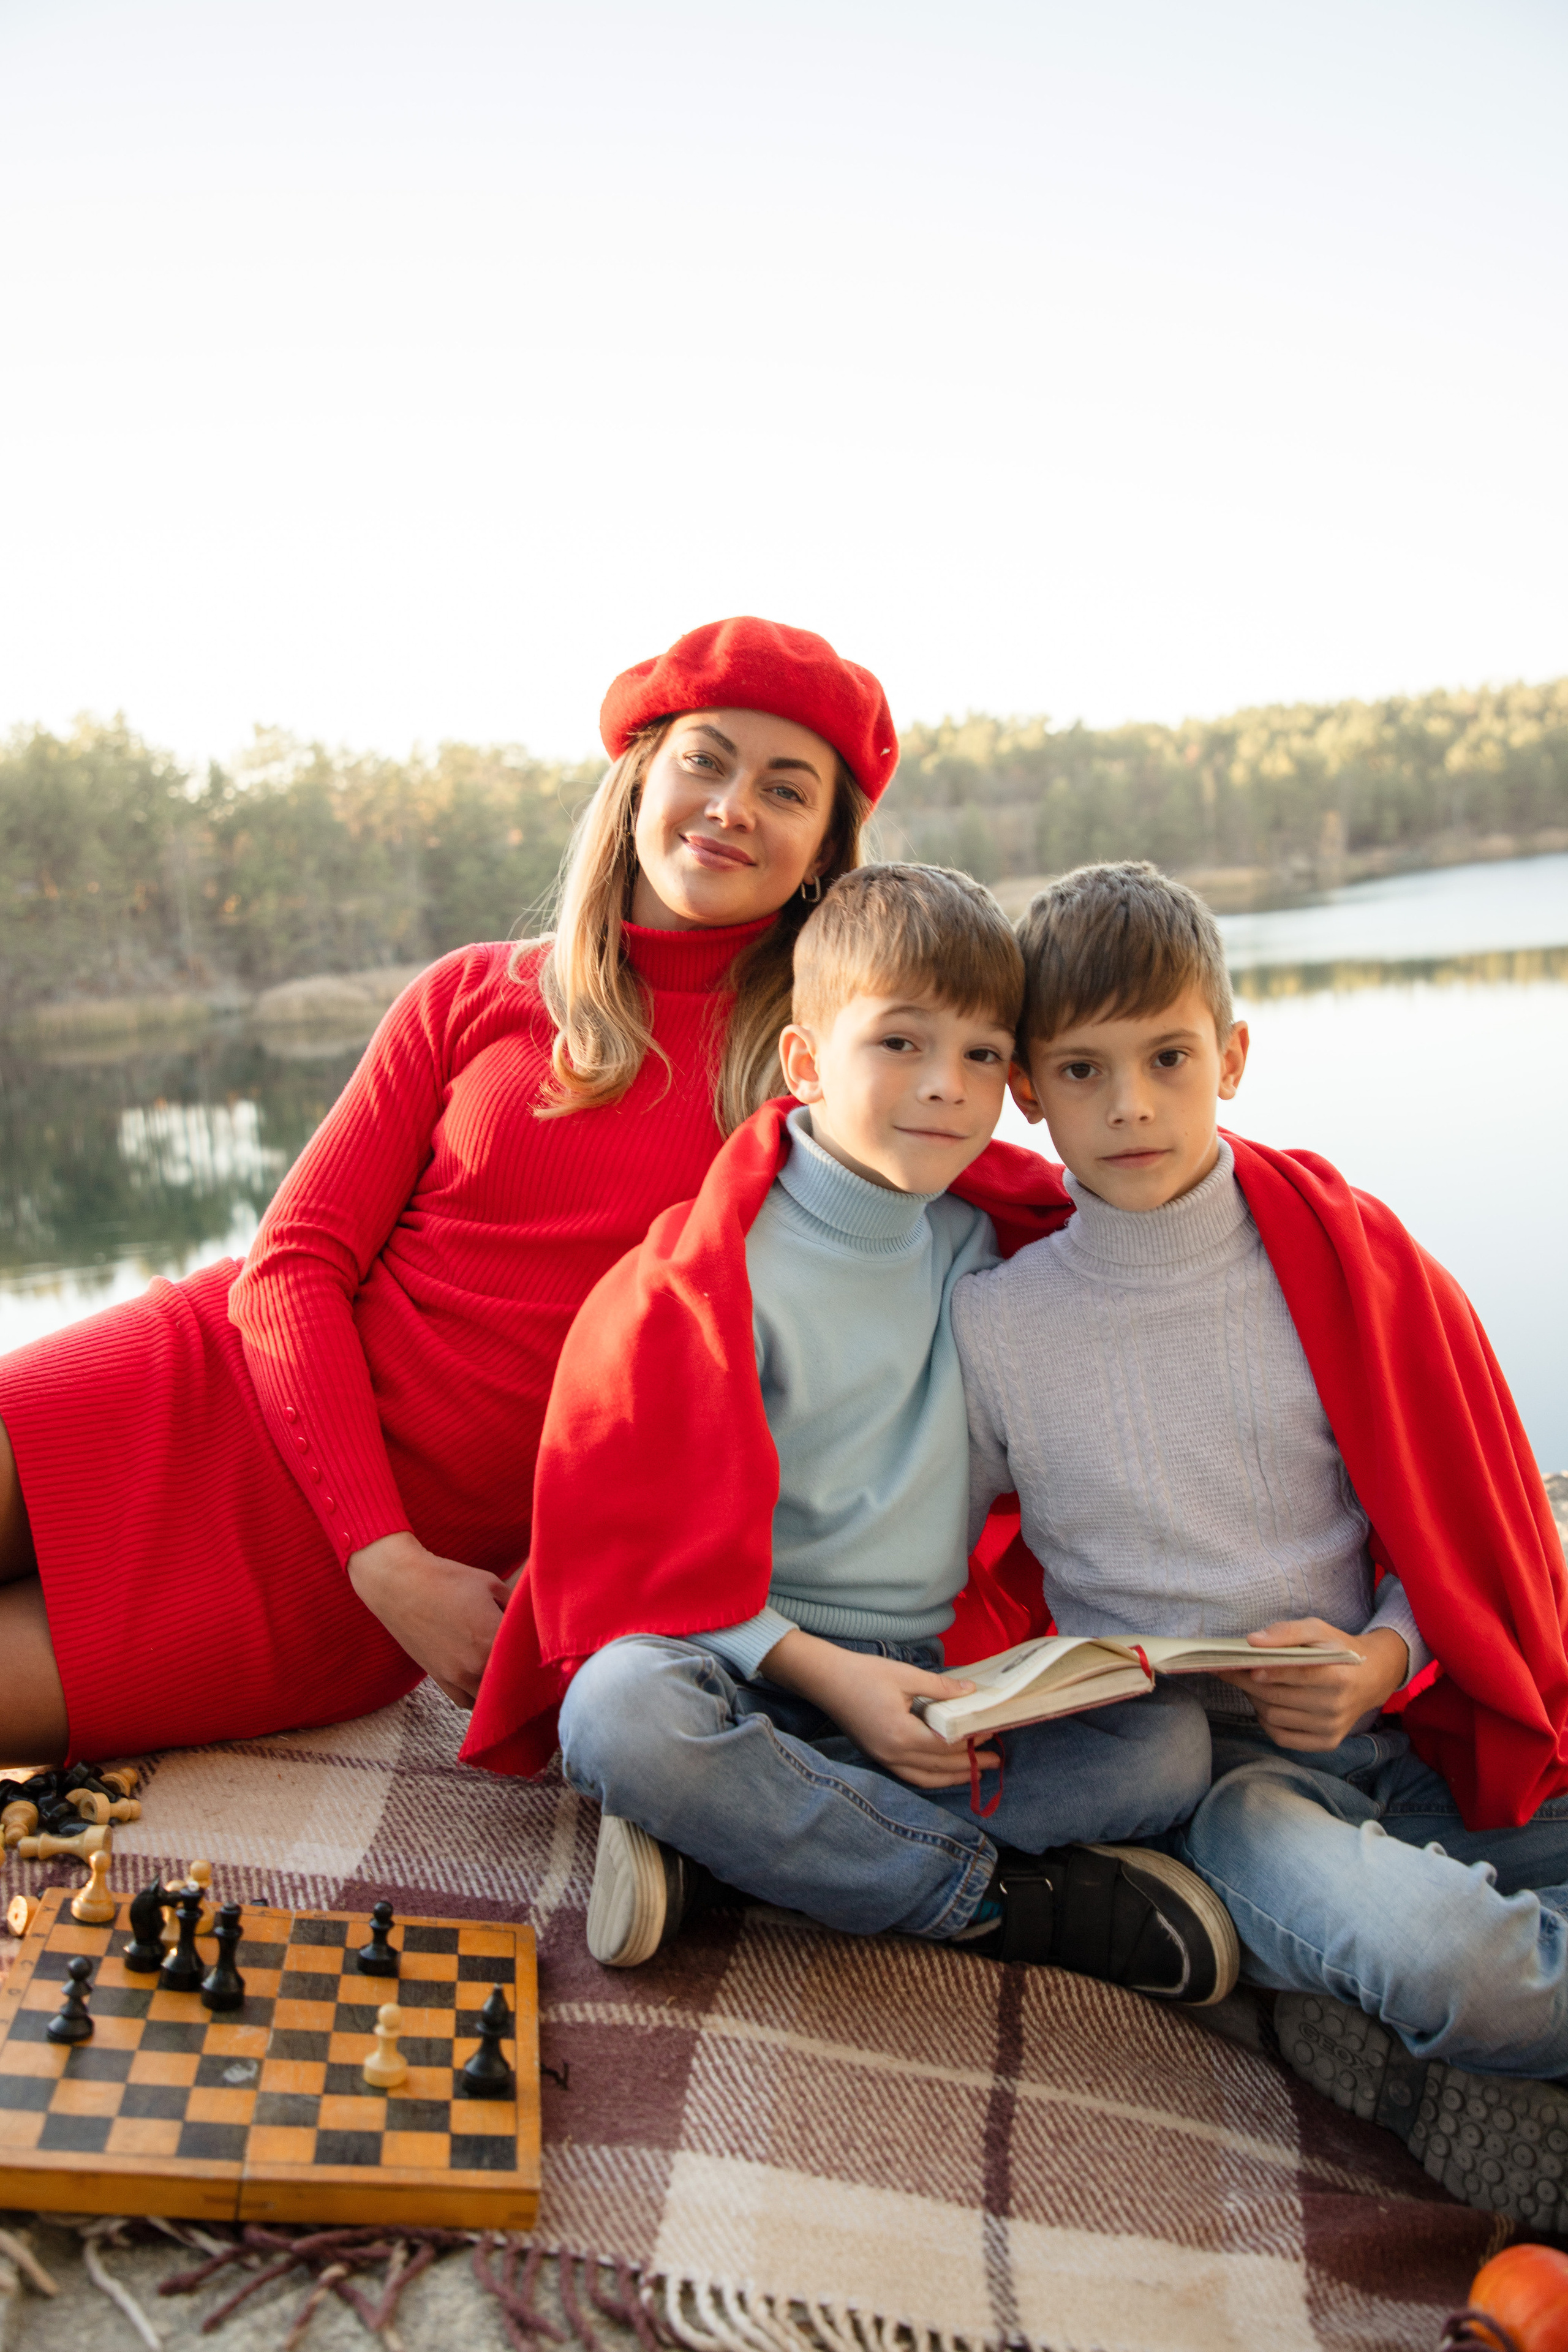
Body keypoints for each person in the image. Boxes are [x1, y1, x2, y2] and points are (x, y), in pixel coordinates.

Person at [0, 616, 902, 1765]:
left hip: (336, 1601)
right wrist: (379, 1548)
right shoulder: (476, 994)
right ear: (638, 784)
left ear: (825, 849)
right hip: (202, 1392)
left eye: (787, 789)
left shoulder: (814, 1080)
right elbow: (293, 1266)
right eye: (706, 760)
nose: (732, 805)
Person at [462, 864, 1233, 2002]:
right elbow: (630, 1552)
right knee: (620, 1719)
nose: (945, 1088)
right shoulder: (709, 1272)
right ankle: (992, 1905)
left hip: (928, 1677)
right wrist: (836, 1683)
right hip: (739, 1663)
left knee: (1164, 1752)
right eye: (901, 1045)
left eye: (981, 1054)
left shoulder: (994, 1237)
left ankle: (740, 1848)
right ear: (807, 1059)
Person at [952, 858, 1568, 2231]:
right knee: (1464, 1968)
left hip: (1410, 1730)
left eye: (1167, 1056)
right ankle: (1418, 2011)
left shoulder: (1341, 1261)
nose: (1129, 1106)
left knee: (1481, 1924)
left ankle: (1387, 2044)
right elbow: (926, 1555)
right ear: (1026, 1095)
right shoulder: (998, 1326)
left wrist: (1377, 1657)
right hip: (1225, 1787)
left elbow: (1467, 1521)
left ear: (1228, 1056)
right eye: (1081, 1070)